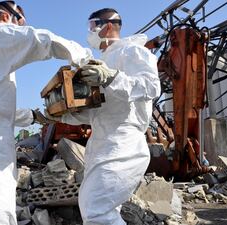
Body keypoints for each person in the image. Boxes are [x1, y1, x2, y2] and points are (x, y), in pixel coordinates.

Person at [0, 1, 92, 224]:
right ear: (7, 17)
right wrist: (84, 56)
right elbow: (41, 39)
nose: (20, 29)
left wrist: (31, 116)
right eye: (20, 23)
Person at [50, 8, 161, 225]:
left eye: (92, 26)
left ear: (108, 26)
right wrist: (62, 117)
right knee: (96, 207)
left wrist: (111, 77)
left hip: (124, 143)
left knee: (96, 209)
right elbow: (97, 113)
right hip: (102, 143)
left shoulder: (133, 52)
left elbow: (151, 87)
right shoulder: (103, 60)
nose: (89, 31)